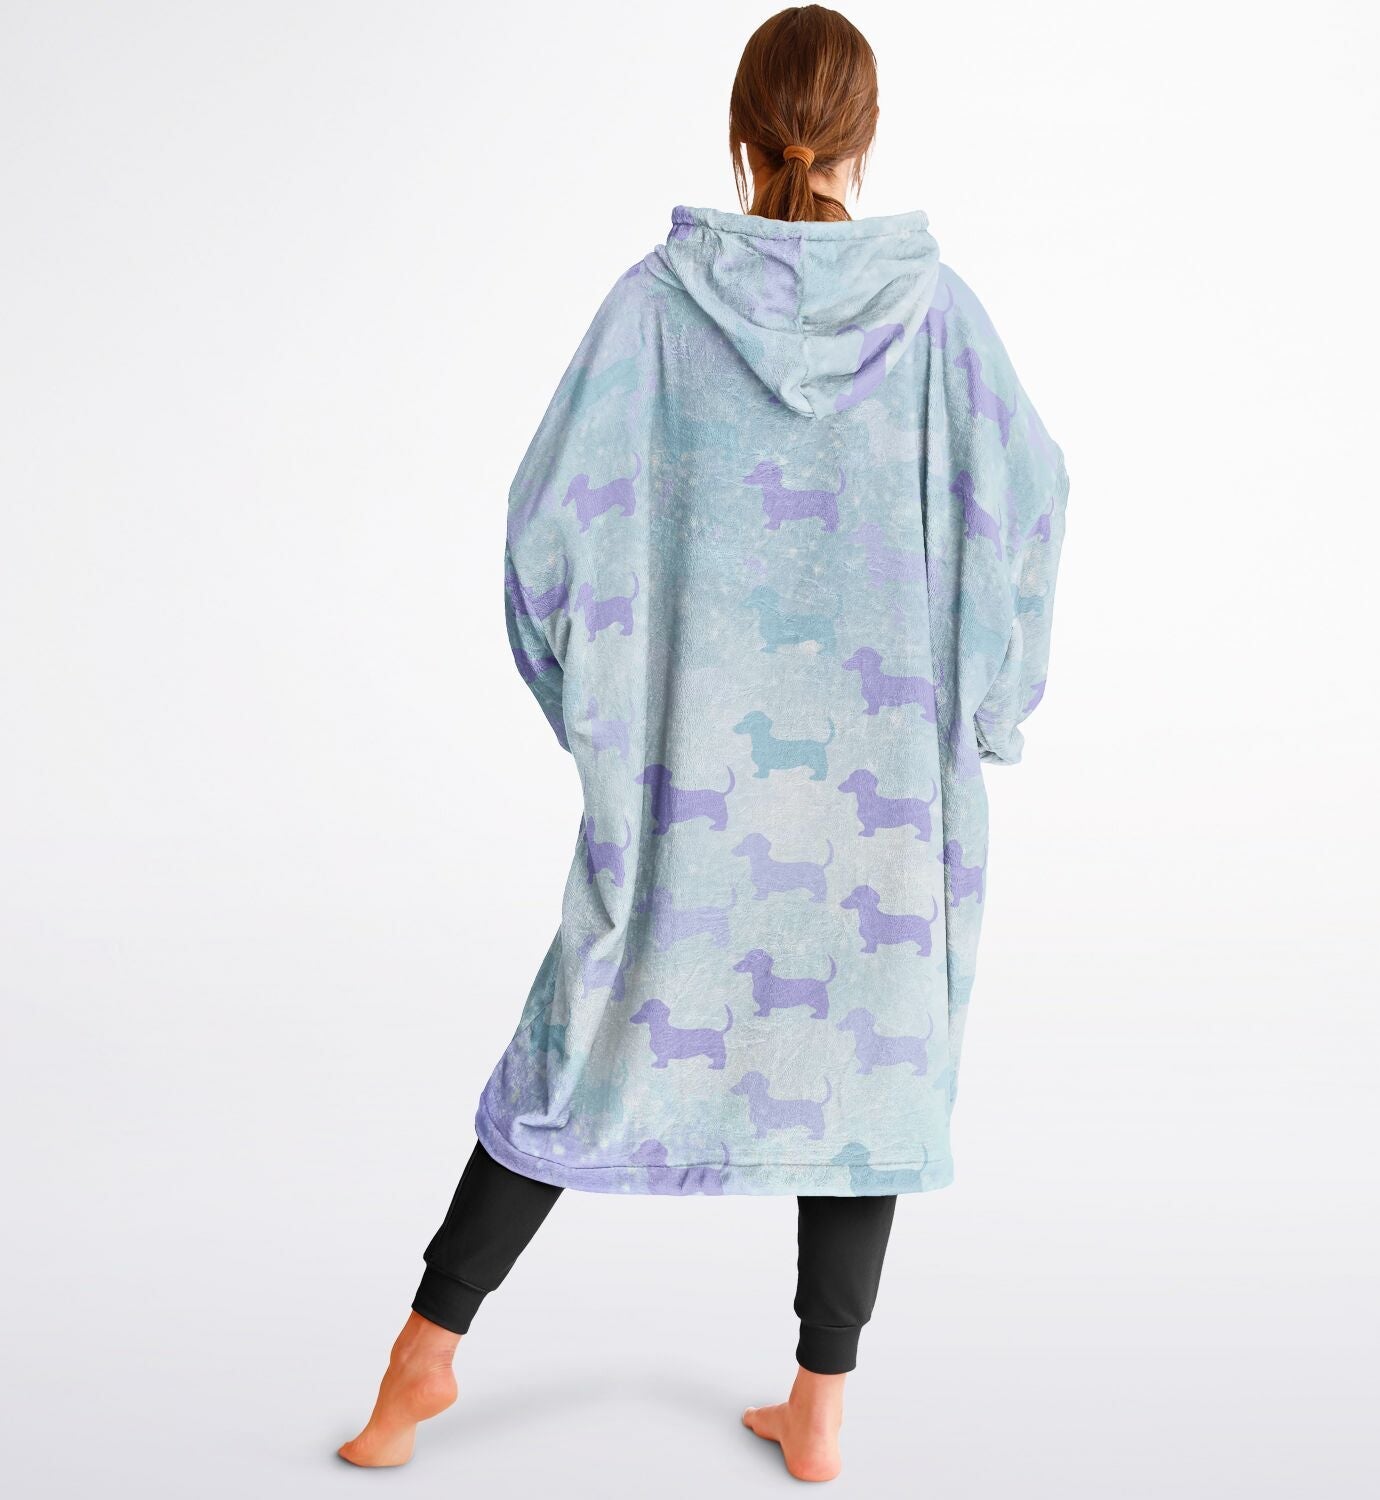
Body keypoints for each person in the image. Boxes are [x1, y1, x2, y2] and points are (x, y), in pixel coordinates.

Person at [339, 3, 1069, 1482]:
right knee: (863, 1070)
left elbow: (544, 523)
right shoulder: (938, 319)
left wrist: (598, 715)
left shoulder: (654, 312)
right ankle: (822, 1409)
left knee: (585, 1033)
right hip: (882, 793)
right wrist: (990, 708)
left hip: (691, 787)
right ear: (866, 136)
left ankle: (423, 1358)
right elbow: (1032, 500)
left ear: (743, 133)